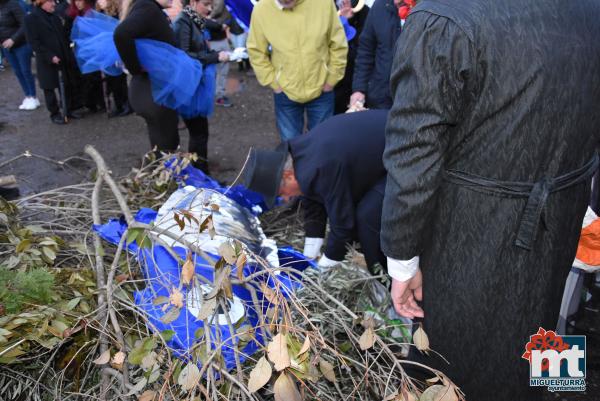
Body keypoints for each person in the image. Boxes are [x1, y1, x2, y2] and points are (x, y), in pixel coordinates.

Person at [381, 1, 600, 400]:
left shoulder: (443, 18)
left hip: (477, 228)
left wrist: (402, 260)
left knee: (460, 363)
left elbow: (414, 150)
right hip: (562, 211)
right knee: (550, 327)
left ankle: (553, 387)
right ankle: (555, 388)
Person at [242, 110, 389, 271]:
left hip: (403, 150)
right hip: (378, 151)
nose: (284, 199)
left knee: (367, 217)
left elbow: (343, 224)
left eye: (281, 193)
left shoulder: (321, 169)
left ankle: (386, 277)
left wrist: (324, 268)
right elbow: (313, 202)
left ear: (288, 175)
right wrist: (309, 255)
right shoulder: (302, 158)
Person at [247, 0, 348, 141]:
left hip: (322, 88)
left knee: (322, 144)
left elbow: (338, 45)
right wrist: (273, 83)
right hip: (285, 91)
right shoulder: (262, 9)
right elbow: (256, 51)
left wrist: (331, 80)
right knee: (291, 147)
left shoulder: (323, 3)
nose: (286, 2)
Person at [114, 0, 179, 154]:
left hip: (151, 91)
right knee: (166, 146)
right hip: (152, 92)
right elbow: (121, 34)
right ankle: (167, 177)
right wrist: (135, 68)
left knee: (162, 144)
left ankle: (165, 175)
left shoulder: (148, 8)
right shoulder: (147, 7)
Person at [173, 0, 229, 173]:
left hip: (196, 83)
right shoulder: (183, 21)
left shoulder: (195, 19)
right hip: (189, 86)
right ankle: (200, 177)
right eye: (206, 4)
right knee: (198, 133)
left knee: (200, 132)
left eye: (212, 5)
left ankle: (201, 174)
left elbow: (202, 43)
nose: (210, 9)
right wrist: (215, 57)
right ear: (193, 2)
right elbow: (184, 55)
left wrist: (215, 53)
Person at [24, 0, 82, 124]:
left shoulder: (55, 16)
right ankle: (54, 113)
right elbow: (34, 42)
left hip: (62, 56)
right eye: (50, 1)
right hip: (47, 59)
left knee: (66, 84)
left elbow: (62, 36)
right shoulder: (31, 18)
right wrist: (50, 56)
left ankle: (68, 109)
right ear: (42, 3)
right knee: (49, 87)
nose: (54, 4)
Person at [349, 0, 404, 110]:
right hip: (381, 96)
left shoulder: (425, 8)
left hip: (415, 99)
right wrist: (359, 89)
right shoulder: (380, 6)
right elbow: (366, 50)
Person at [66, 0, 105, 113]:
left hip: (92, 51)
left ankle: (99, 102)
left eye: (80, 0)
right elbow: (67, 33)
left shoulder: (92, 14)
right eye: (75, 1)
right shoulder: (72, 16)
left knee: (95, 76)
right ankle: (90, 103)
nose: (78, 3)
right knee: (85, 78)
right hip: (79, 51)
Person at [96, 0, 132, 117]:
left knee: (119, 78)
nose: (100, 2)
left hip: (116, 49)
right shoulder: (99, 13)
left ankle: (126, 104)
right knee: (111, 79)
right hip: (106, 50)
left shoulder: (117, 12)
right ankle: (119, 105)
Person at [0, 0, 39, 110]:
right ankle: (27, 96)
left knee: (25, 71)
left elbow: (24, 24)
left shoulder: (13, 4)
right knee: (17, 72)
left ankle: (33, 96)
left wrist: (13, 39)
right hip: (6, 47)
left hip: (21, 44)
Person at [333, 0, 369, 115]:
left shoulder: (365, 12)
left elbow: (367, 47)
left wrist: (351, 21)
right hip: (334, 83)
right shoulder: (326, 11)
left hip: (360, 81)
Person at [207, 0, 232, 107]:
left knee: (223, 70)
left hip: (222, 40)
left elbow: (230, 17)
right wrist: (217, 24)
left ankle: (220, 95)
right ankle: (212, 95)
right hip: (211, 43)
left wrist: (225, 24)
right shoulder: (200, 6)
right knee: (212, 71)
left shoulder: (221, 5)